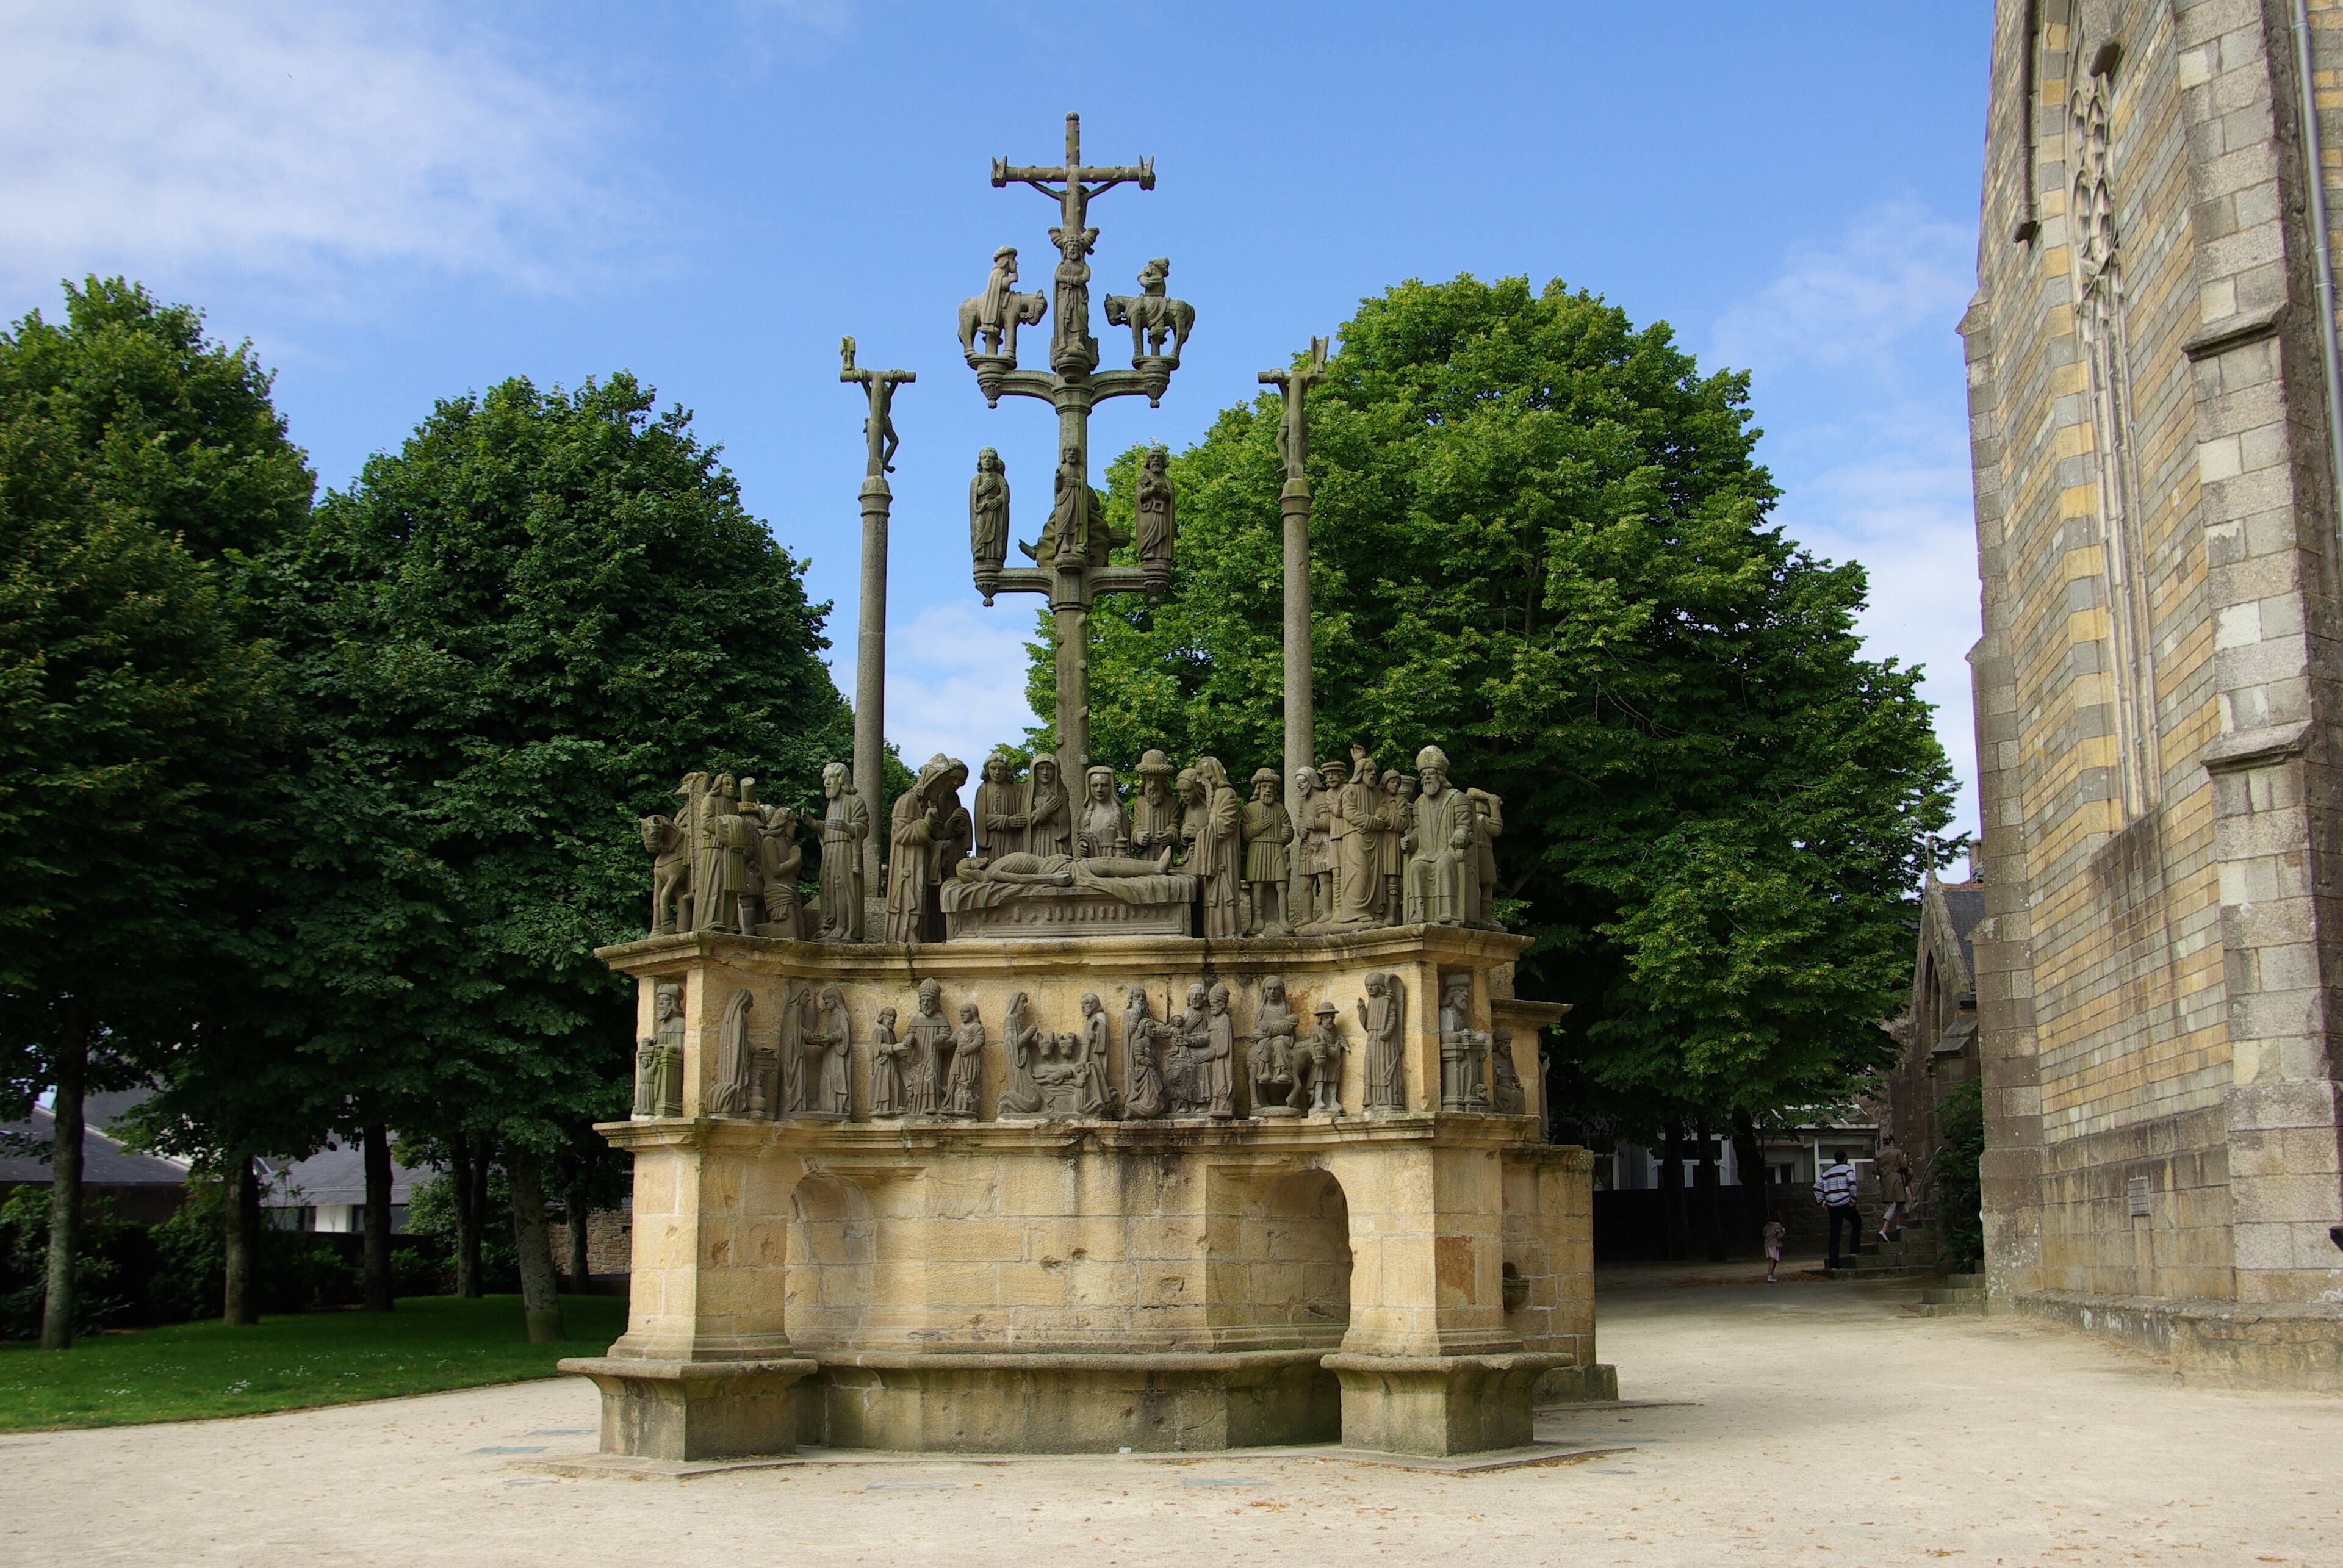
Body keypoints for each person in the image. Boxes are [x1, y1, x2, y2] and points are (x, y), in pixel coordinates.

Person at [1815, 1148, 1863, 1269]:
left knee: (1835, 1233)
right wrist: (1853, 1199)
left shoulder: (1827, 1173)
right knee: (1857, 1223)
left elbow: (1816, 1187)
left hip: (1833, 1206)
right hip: (1846, 1203)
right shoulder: (1847, 1169)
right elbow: (1852, 1183)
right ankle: (1854, 1249)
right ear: (1845, 1159)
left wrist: (1823, 1202)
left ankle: (1834, 1263)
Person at [1876, 1133, 1913, 1243]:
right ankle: (1884, 1229)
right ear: (1892, 1142)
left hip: (1885, 1182)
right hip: (1897, 1181)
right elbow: (1903, 1166)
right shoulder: (1897, 1152)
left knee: (1898, 1202)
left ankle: (1899, 1225)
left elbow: (1875, 1170)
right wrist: (1905, 1159)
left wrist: (1885, 1172)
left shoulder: (1879, 1155)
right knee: (1894, 1203)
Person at [1762, 1211, 1788, 1284]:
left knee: (1773, 1260)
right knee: (1772, 1260)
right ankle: (1770, 1276)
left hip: (1768, 1244)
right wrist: (1783, 1232)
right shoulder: (1777, 1226)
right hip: (1773, 1245)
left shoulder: (1768, 1225)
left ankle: (1771, 1275)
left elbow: (1764, 1234)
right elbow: (1779, 1236)